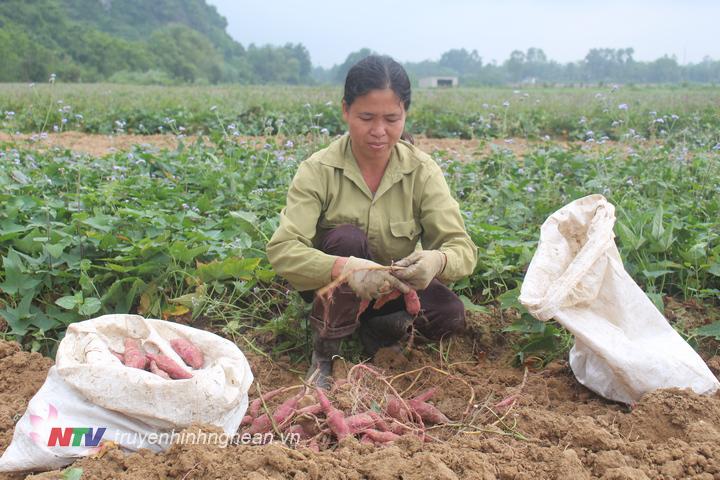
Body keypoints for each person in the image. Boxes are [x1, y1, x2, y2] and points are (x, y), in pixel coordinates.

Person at [266, 55, 477, 387]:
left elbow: (462, 249)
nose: (379, 131)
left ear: (405, 114)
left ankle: (376, 329)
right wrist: (346, 268)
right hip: (334, 288)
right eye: (366, 117)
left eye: (392, 119)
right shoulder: (318, 170)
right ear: (345, 111)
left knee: (449, 314)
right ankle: (325, 353)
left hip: (393, 289)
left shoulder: (422, 171)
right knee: (346, 238)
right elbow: (283, 250)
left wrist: (437, 260)